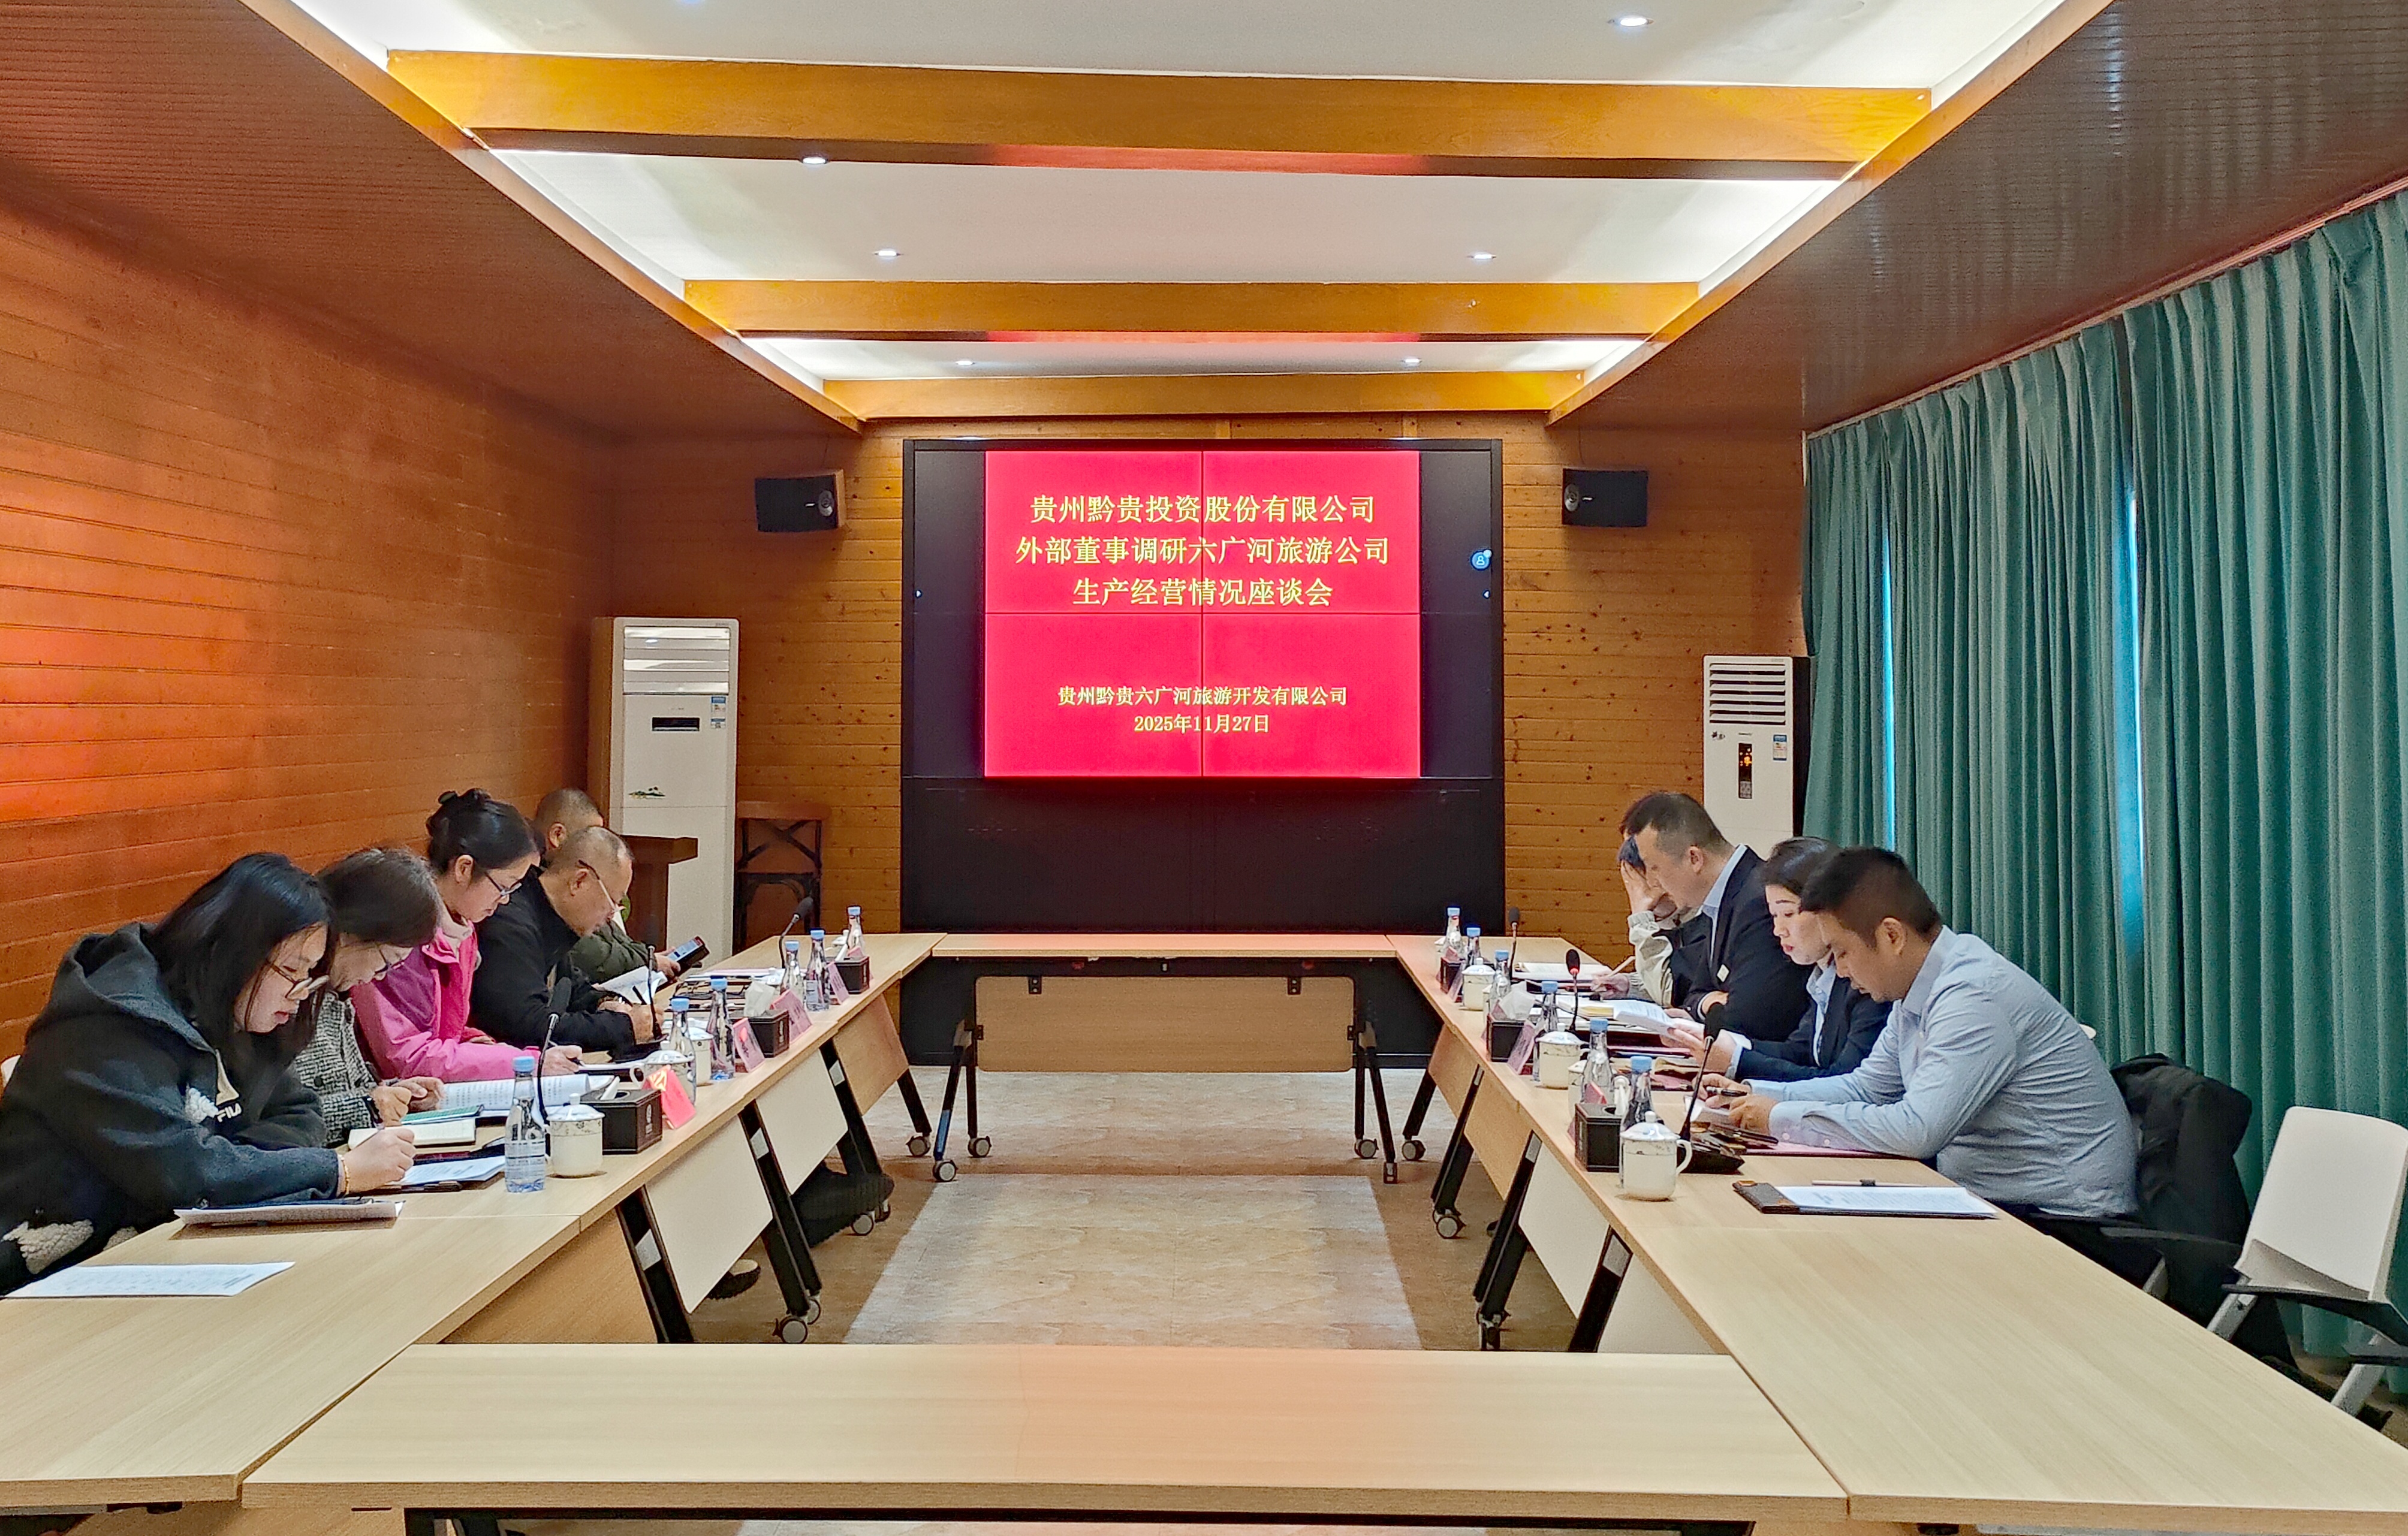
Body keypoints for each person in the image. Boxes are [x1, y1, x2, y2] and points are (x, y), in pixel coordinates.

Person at [0, 855, 418, 1294]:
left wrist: (232, 1167)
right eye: (292, 970)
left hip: (159, 1256)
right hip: (44, 1279)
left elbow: (301, 1111)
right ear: (234, 952)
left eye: (310, 973)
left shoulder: (235, 1011)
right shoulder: (109, 1025)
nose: (300, 991)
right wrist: (337, 1170)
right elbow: (184, 1173)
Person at [1706, 847, 2138, 1218]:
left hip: (2062, 1219)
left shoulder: (1972, 995)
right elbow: (1867, 1087)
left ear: (1891, 935)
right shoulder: (1917, 990)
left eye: (1843, 952)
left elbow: (1917, 1129)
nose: (1841, 970)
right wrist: (1755, 1096)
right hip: (1990, 1200)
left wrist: (1778, 1117)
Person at [354, 790, 579, 1083]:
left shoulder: (462, 926)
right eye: (504, 887)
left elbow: (448, 1032)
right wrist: (522, 1062)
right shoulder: (400, 933)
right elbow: (408, 1057)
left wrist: (480, 1046)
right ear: (463, 868)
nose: (506, 900)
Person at [1665, 837, 1890, 1081]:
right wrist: (1721, 1045)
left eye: (1788, 914)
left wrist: (1738, 1061)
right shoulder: (1822, 976)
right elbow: (1798, 1052)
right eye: (1774, 916)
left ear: (1827, 910)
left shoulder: (1866, 981)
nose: (1778, 930)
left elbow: (1842, 1081)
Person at [288, 848, 447, 1145]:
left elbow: (353, 1088)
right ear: (352, 934)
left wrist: (398, 1094)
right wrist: (371, 1105)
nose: (380, 976)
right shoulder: (290, 1000)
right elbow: (279, 1124)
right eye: (385, 962)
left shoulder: (336, 996)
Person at [1621, 791, 1810, 1040]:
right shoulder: (1724, 895)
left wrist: (1705, 1007)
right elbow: (1695, 993)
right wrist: (1705, 1003)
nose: (1653, 881)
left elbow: (1745, 1019)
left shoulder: (1758, 901)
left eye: (1655, 868)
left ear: (1694, 858)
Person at [471, 824, 664, 1057]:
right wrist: (623, 1027)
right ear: (579, 881)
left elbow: (571, 988)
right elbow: (529, 1026)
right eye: (613, 901)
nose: (612, 915)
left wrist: (605, 1004)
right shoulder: (511, 924)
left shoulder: (549, 915)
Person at [529, 787, 680, 988]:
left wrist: (648, 958)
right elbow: (591, 956)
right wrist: (646, 961)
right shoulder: (544, 892)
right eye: (589, 834)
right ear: (558, 835)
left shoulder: (588, 884)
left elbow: (613, 941)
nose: (598, 841)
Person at [1619, 837, 1712, 1009]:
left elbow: (1670, 994)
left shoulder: (1707, 915)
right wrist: (1631, 985)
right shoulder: (1681, 918)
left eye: (1639, 885)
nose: (1639, 894)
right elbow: (1686, 984)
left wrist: (1641, 919)